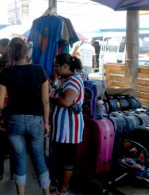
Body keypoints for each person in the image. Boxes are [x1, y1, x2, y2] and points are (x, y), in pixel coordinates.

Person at [0, 37, 51, 195]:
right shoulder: (39, 70)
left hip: (14, 120)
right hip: (36, 120)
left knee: (19, 160)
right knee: (39, 158)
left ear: (11, 52)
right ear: (27, 51)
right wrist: (46, 123)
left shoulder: (6, 72)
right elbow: (45, 101)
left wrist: (10, 109)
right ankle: (46, 193)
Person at [49, 53, 85, 195]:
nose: (55, 68)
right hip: (60, 129)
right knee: (58, 159)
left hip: (69, 129)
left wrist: (48, 98)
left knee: (66, 161)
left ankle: (63, 189)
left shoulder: (74, 81)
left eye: (57, 66)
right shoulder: (64, 79)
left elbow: (66, 101)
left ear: (65, 66)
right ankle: (58, 185)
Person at [0, 38, 13, 180]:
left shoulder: (4, 73)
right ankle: (13, 174)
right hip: (16, 114)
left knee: (0, 144)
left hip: (3, 113)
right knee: (14, 146)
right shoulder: (25, 73)